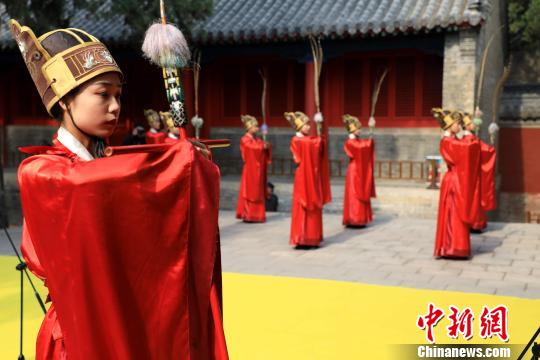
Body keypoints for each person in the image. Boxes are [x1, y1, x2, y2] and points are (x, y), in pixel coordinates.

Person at [11, 20, 228, 359]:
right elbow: (87, 183)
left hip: (124, 320)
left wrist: (188, 170)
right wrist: (178, 163)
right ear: (65, 101)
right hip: (77, 333)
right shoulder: (42, 172)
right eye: (102, 94)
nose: (115, 107)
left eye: (118, 95)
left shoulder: (107, 163)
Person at [433, 109, 481, 259]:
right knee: (453, 214)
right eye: (457, 124)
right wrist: (471, 137)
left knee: (456, 213)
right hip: (454, 182)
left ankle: (457, 246)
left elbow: (465, 146)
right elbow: (466, 149)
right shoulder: (448, 141)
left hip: (455, 180)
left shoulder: (453, 140)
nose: (459, 127)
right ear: (450, 125)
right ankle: (452, 247)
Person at [285, 111, 331, 248]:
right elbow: (304, 150)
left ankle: (312, 237)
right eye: (305, 125)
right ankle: (300, 238)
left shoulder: (308, 140)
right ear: (299, 126)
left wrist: (320, 134)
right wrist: (318, 140)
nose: (307, 127)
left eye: (308, 125)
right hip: (303, 176)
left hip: (312, 174)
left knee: (313, 206)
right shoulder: (296, 140)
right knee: (301, 206)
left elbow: (313, 143)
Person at [462, 113, 497, 232]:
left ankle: (470, 222)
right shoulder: (470, 140)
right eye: (471, 123)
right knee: (474, 200)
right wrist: (491, 147)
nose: (474, 125)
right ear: (466, 126)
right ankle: (474, 223)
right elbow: (483, 150)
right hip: (473, 176)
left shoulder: (466, 139)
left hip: (468, 175)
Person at [236, 115, 271, 222]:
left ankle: (258, 215)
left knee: (258, 190)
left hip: (258, 170)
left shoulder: (257, 139)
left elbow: (261, 146)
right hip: (250, 169)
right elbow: (250, 148)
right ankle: (248, 214)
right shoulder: (244, 139)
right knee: (249, 190)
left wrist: (266, 145)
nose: (257, 128)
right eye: (255, 126)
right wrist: (261, 147)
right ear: (249, 127)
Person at [342, 115, 376, 227]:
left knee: (359, 192)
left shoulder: (356, 140)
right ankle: (354, 218)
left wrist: (371, 132)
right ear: (352, 129)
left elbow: (363, 145)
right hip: (355, 171)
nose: (360, 130)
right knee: (354, 194)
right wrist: (371, 133)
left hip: (358, 169)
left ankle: (360, 218)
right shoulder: (350, 142)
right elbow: (361, 147)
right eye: (358, 128)